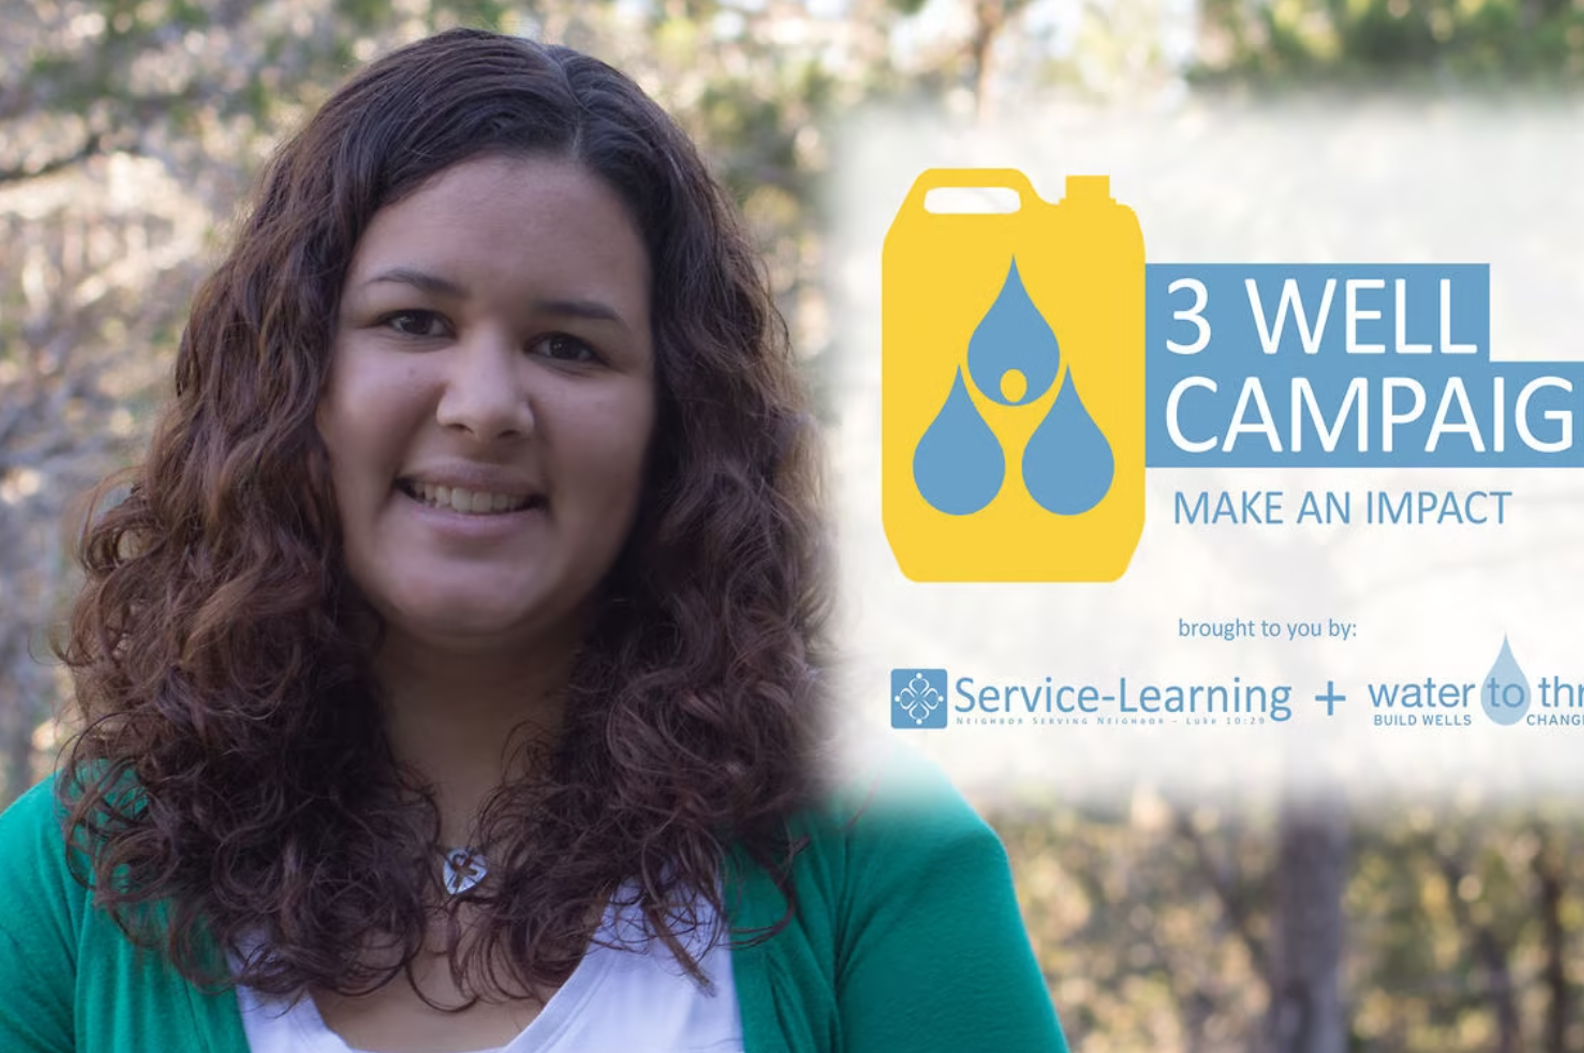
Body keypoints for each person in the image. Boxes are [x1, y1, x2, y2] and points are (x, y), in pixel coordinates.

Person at [0, 27, 1068, 1053]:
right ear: (293, 381)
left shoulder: (876, 853)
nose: (484, 406)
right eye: (413, 321)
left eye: (569, 346)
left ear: (674, 425)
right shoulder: (63, 886)